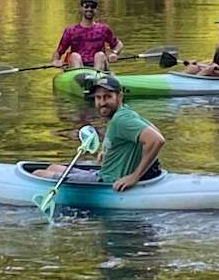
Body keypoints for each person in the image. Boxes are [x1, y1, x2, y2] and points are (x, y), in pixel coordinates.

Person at [33, 73, 164, 191]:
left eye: (108, 97)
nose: (102, 103)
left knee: (38, 174)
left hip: (107, 182)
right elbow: (155, 132)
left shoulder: (121, 119)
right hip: (104, 173)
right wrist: (111, 153)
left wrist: (134, 177)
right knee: (53, 167)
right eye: (98, 97)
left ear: (120, 96)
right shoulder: (125, 112)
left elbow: (157, 140)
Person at [53, 0, 122, 70]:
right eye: (86, 6)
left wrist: (114, 53)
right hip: (79, 67)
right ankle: (81, 77)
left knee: (99, 55)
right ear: (81, 8)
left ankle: (97, 77)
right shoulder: (70, 31)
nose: (89, 9)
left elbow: (118, 44)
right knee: (74, 56)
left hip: (100, 67)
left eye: (93, 6)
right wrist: (56, 60)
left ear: (96, 9)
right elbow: (59, 51)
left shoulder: (103, 29)